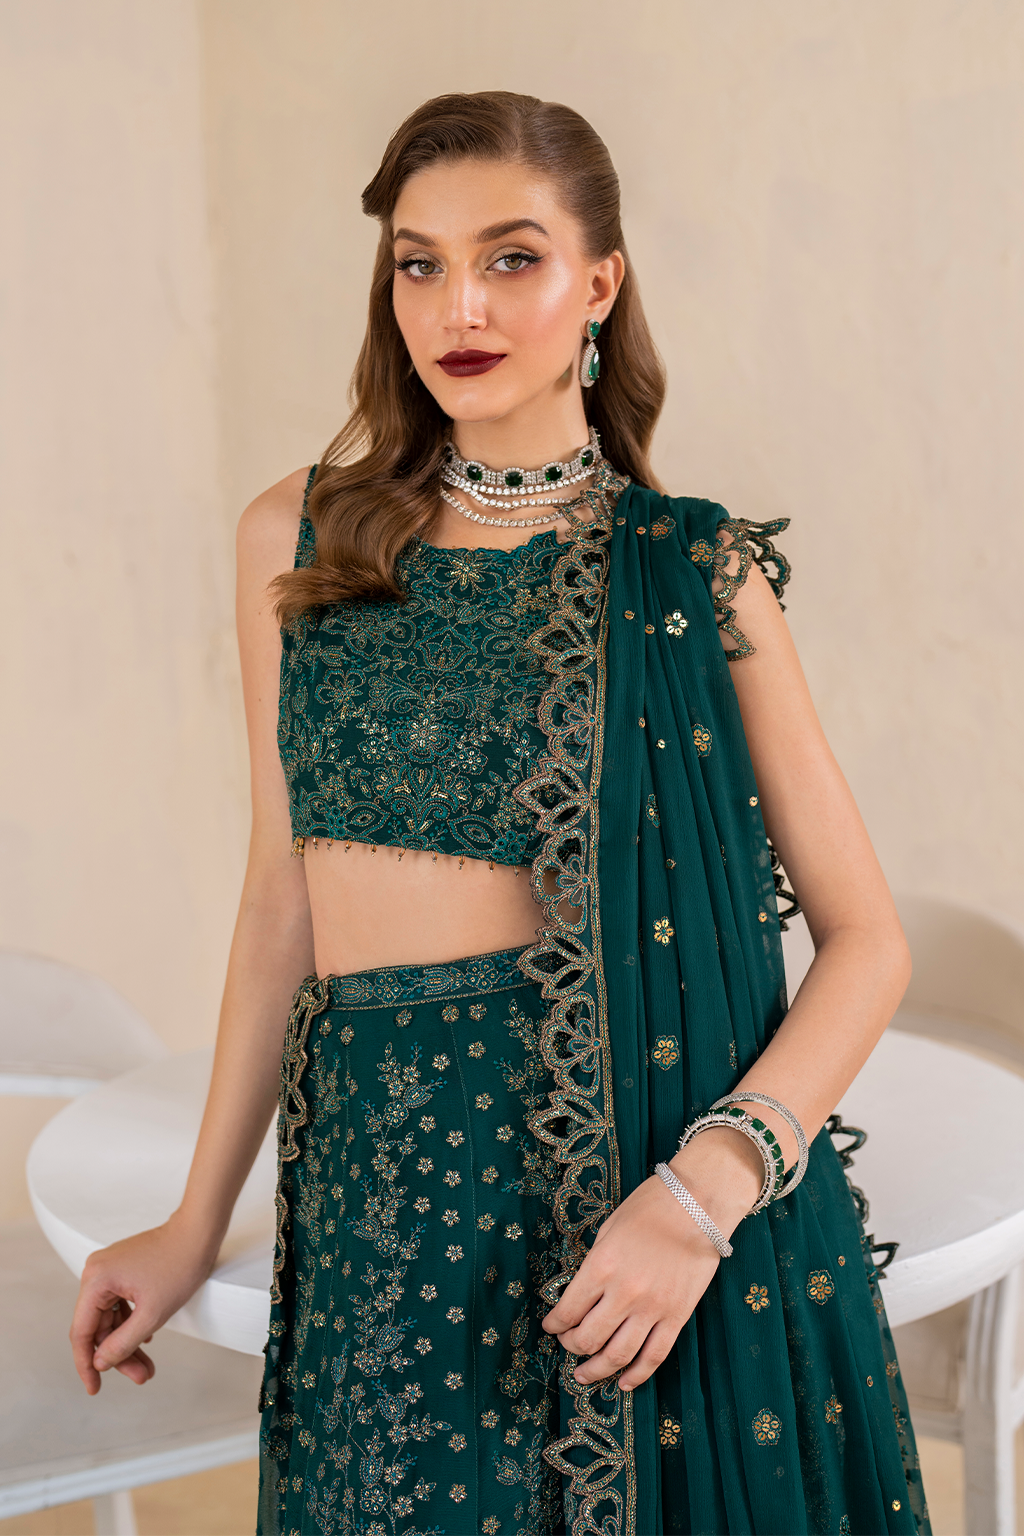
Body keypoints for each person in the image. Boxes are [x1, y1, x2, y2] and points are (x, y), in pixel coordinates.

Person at [70, 91, 929, 1536]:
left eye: (511, 258)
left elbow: (867, 942)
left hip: (621, 1197)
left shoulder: (690, 574)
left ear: (599, 285)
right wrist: (194, 1219)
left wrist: (701, 1199)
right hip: (379, 1201)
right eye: (420, 263)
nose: (457, 306)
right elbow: (283, 898)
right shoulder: (304, 537)